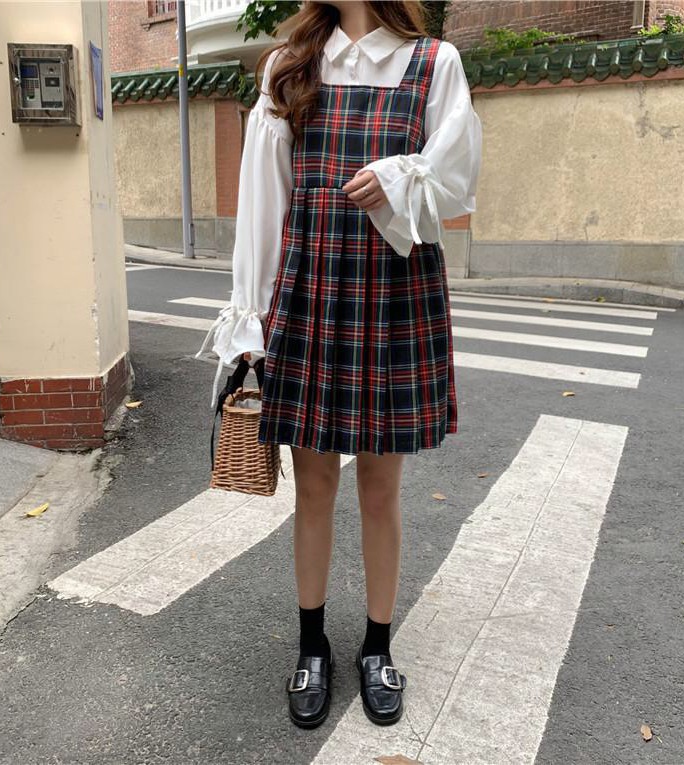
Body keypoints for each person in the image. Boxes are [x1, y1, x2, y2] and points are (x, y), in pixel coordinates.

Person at [196, 0, 482, 729]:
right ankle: (312, 645)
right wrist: (251, 320)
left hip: (395, 295)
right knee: (314, 487)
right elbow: (264, 203)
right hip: (310, 293)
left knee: (381, 489)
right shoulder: (289, 66)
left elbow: (456, 181)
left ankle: (378, 647)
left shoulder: (434, 64)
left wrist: (400, 176)